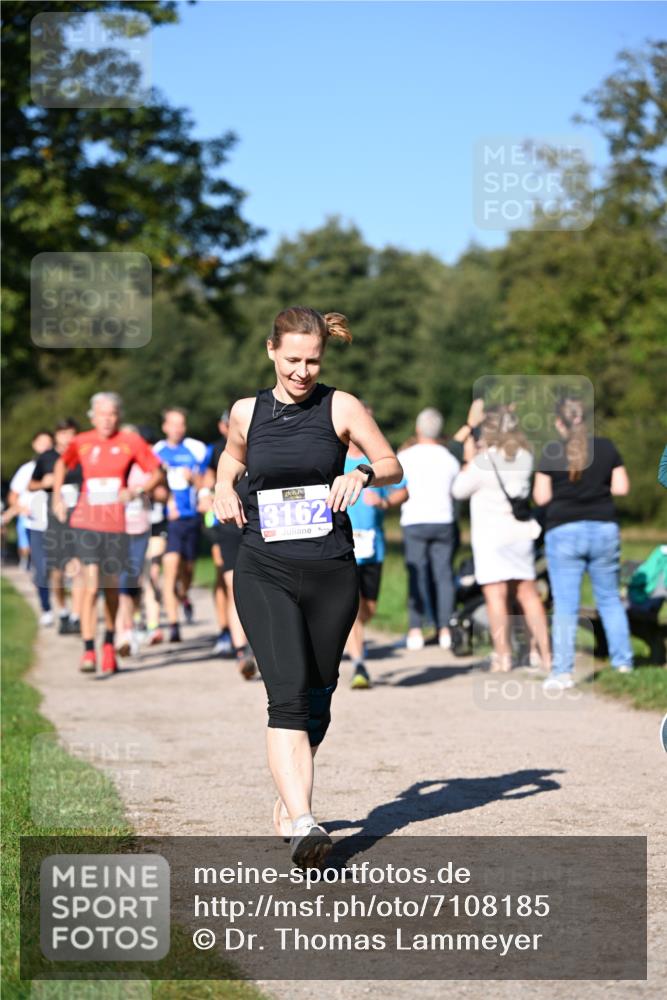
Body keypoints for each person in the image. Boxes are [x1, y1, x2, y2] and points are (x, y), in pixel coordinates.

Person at [214, 306, 403, 867]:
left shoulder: (341, 406)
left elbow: (391, 462)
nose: (301, 372)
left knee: (319, 692)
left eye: (312, 361)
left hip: (330, 569)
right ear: (271, 351)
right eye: (292, 360)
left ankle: (289, 791)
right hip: (264, 567)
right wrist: (224, 486)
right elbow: (232, 455)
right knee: (288, 693)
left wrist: (361, 472)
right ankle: (303, 822)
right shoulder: (246, 411)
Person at [52, 393, 163, 674]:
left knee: (111, 588)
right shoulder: (82, 441)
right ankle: (89, 650)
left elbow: (156, 471)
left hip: (116, 525)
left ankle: (110, 644)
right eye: (102, 414)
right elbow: (61, 463)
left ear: (119, 416)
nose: (107, 419)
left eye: (112, 414)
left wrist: (137, 491)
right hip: (86, 521)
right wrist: (56, 497)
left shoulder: (131, 442)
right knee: (90, 587)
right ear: (92, 416)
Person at [533, 396, 633, 688]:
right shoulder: (606, 447)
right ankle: (623, 663)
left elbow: (541, 497)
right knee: (610, 599)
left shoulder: (551, 451)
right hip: (604, 529)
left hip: (563, 531)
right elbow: (622, 487)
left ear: (558, 422)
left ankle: (562, 672)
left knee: (565, 604)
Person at [452, 402, 551, 673]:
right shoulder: (525, 455)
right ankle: (545, 655)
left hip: (491, 537)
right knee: (528, 595)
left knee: (496, 597)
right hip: (520, 534)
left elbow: (459, 490)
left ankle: (503, 655)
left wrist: (468, 457)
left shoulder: (482, 463)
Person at [343, 406, 408, 688]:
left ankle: (349, 640)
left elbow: (403, 490)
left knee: (369, 607)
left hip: (373, 546)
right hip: (343, 546)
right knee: (352, 608)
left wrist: (384, 502)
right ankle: (359, 663)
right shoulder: (335, 458)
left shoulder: (378, 461)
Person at [398, 408, 460, 650]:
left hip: (414, 519)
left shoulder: (406, 456)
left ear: (417, 428)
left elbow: (396, 485)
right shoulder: (448, 458)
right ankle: (444, 629)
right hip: (443, 519)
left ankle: (415, 629)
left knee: (417, 574)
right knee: (443, 576)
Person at [154, 409, 208, 642]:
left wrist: (193, 479)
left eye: (182, 424)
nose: (178, 429)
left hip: (192, 517)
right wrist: (166, 500)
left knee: (187, 570)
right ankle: (174, 626)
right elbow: (153, 484)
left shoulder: (196, 448)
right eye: (173, 424)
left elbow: (206, 481)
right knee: (171, 567)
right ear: (165, 426)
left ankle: (183, 594)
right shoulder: (157, 451)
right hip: (171, 520)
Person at [31, 419, 83, 634]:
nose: (67, 438)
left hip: (81, 517)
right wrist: (45, 483)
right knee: (57, 570)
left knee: (78, 568)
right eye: (63, 433)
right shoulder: (47, 458)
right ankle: (62, 610)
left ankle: (77, 616)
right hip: (56, 520)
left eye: (71, 433)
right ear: (56, 436)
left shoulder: (83, 455)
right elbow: (31, 485)